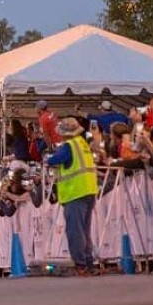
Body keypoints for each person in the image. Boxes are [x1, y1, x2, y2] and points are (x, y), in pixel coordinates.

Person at [46, 118, 100, 276]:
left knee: (75, 231)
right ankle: (89, 263)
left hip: (75, 192)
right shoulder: (83, 143)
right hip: (89, 190)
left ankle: (81, 264)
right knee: (85, 231)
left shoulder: (69, 146)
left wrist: (48, 159)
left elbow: (54, 160)